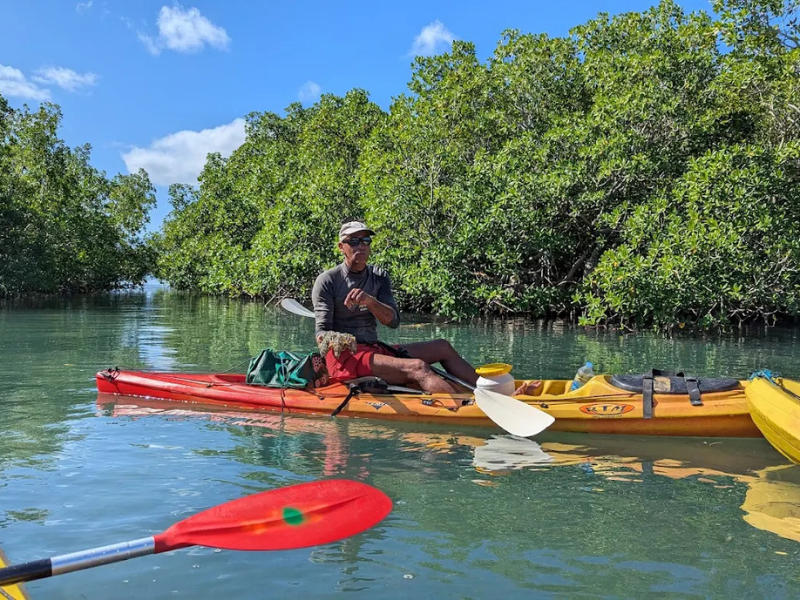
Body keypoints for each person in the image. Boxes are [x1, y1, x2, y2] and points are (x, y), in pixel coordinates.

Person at [312, 221, 479, 399]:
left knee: (442, 347)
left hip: (374, 349)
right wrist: (336, 339)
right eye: (353, 241)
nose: (361, 245)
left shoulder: (379, 276)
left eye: (366, 240)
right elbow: (321, 334)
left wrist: (370, 301)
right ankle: (465, 407)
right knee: (418, 367)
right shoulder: (327, 281)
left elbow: (393, 321)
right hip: (345, 359)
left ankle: (488, 392)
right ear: (341, 247)